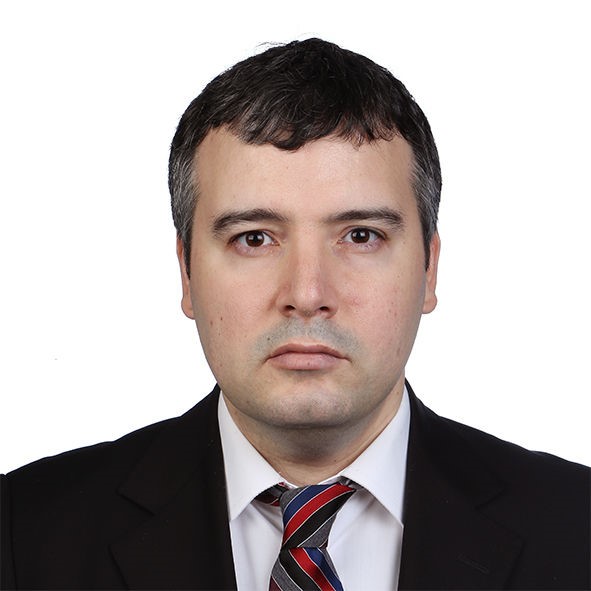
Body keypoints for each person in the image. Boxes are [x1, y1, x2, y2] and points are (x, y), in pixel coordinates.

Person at [1, 38, 588, 591]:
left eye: (361, 235)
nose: (307, 294)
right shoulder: (21, 535)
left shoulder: (577, 529)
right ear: (186, 273)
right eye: (254, 238)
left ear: (429, 269)